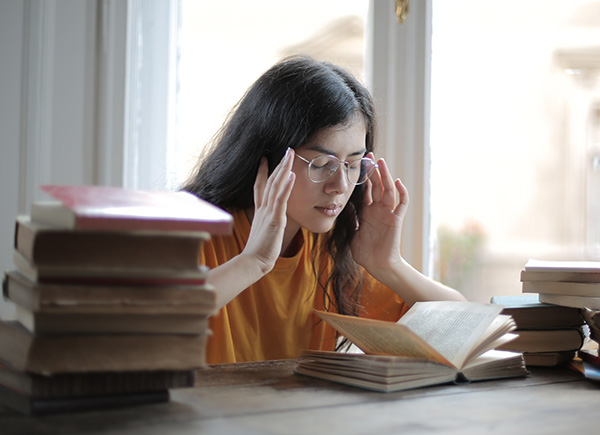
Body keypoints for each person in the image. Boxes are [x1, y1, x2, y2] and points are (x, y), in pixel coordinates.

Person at [183, 56, 465, 364]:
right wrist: (254, 261)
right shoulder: (193, 234)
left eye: (353, 165)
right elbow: (142, 323)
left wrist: (388, 265)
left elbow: (460, 328)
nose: (340, 185)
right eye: (321, 164)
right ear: (266, 159)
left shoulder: (327, 249)